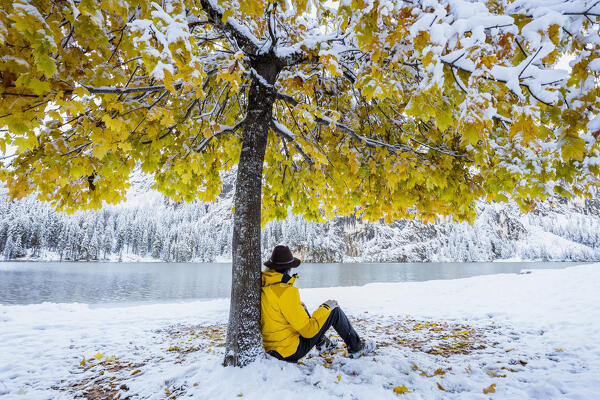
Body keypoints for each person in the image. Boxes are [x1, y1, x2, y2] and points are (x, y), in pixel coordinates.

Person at [260, 244, 375, 362]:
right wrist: (326, 307)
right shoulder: (286, 292)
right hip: (289, 351)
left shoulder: (265, 286)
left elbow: (277, 313)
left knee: (303, 308)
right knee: (334, 310)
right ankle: (356, 347)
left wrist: (298, 306)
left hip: (271, 347)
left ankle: (322, 343)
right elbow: (308, 331)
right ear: (289, 268)